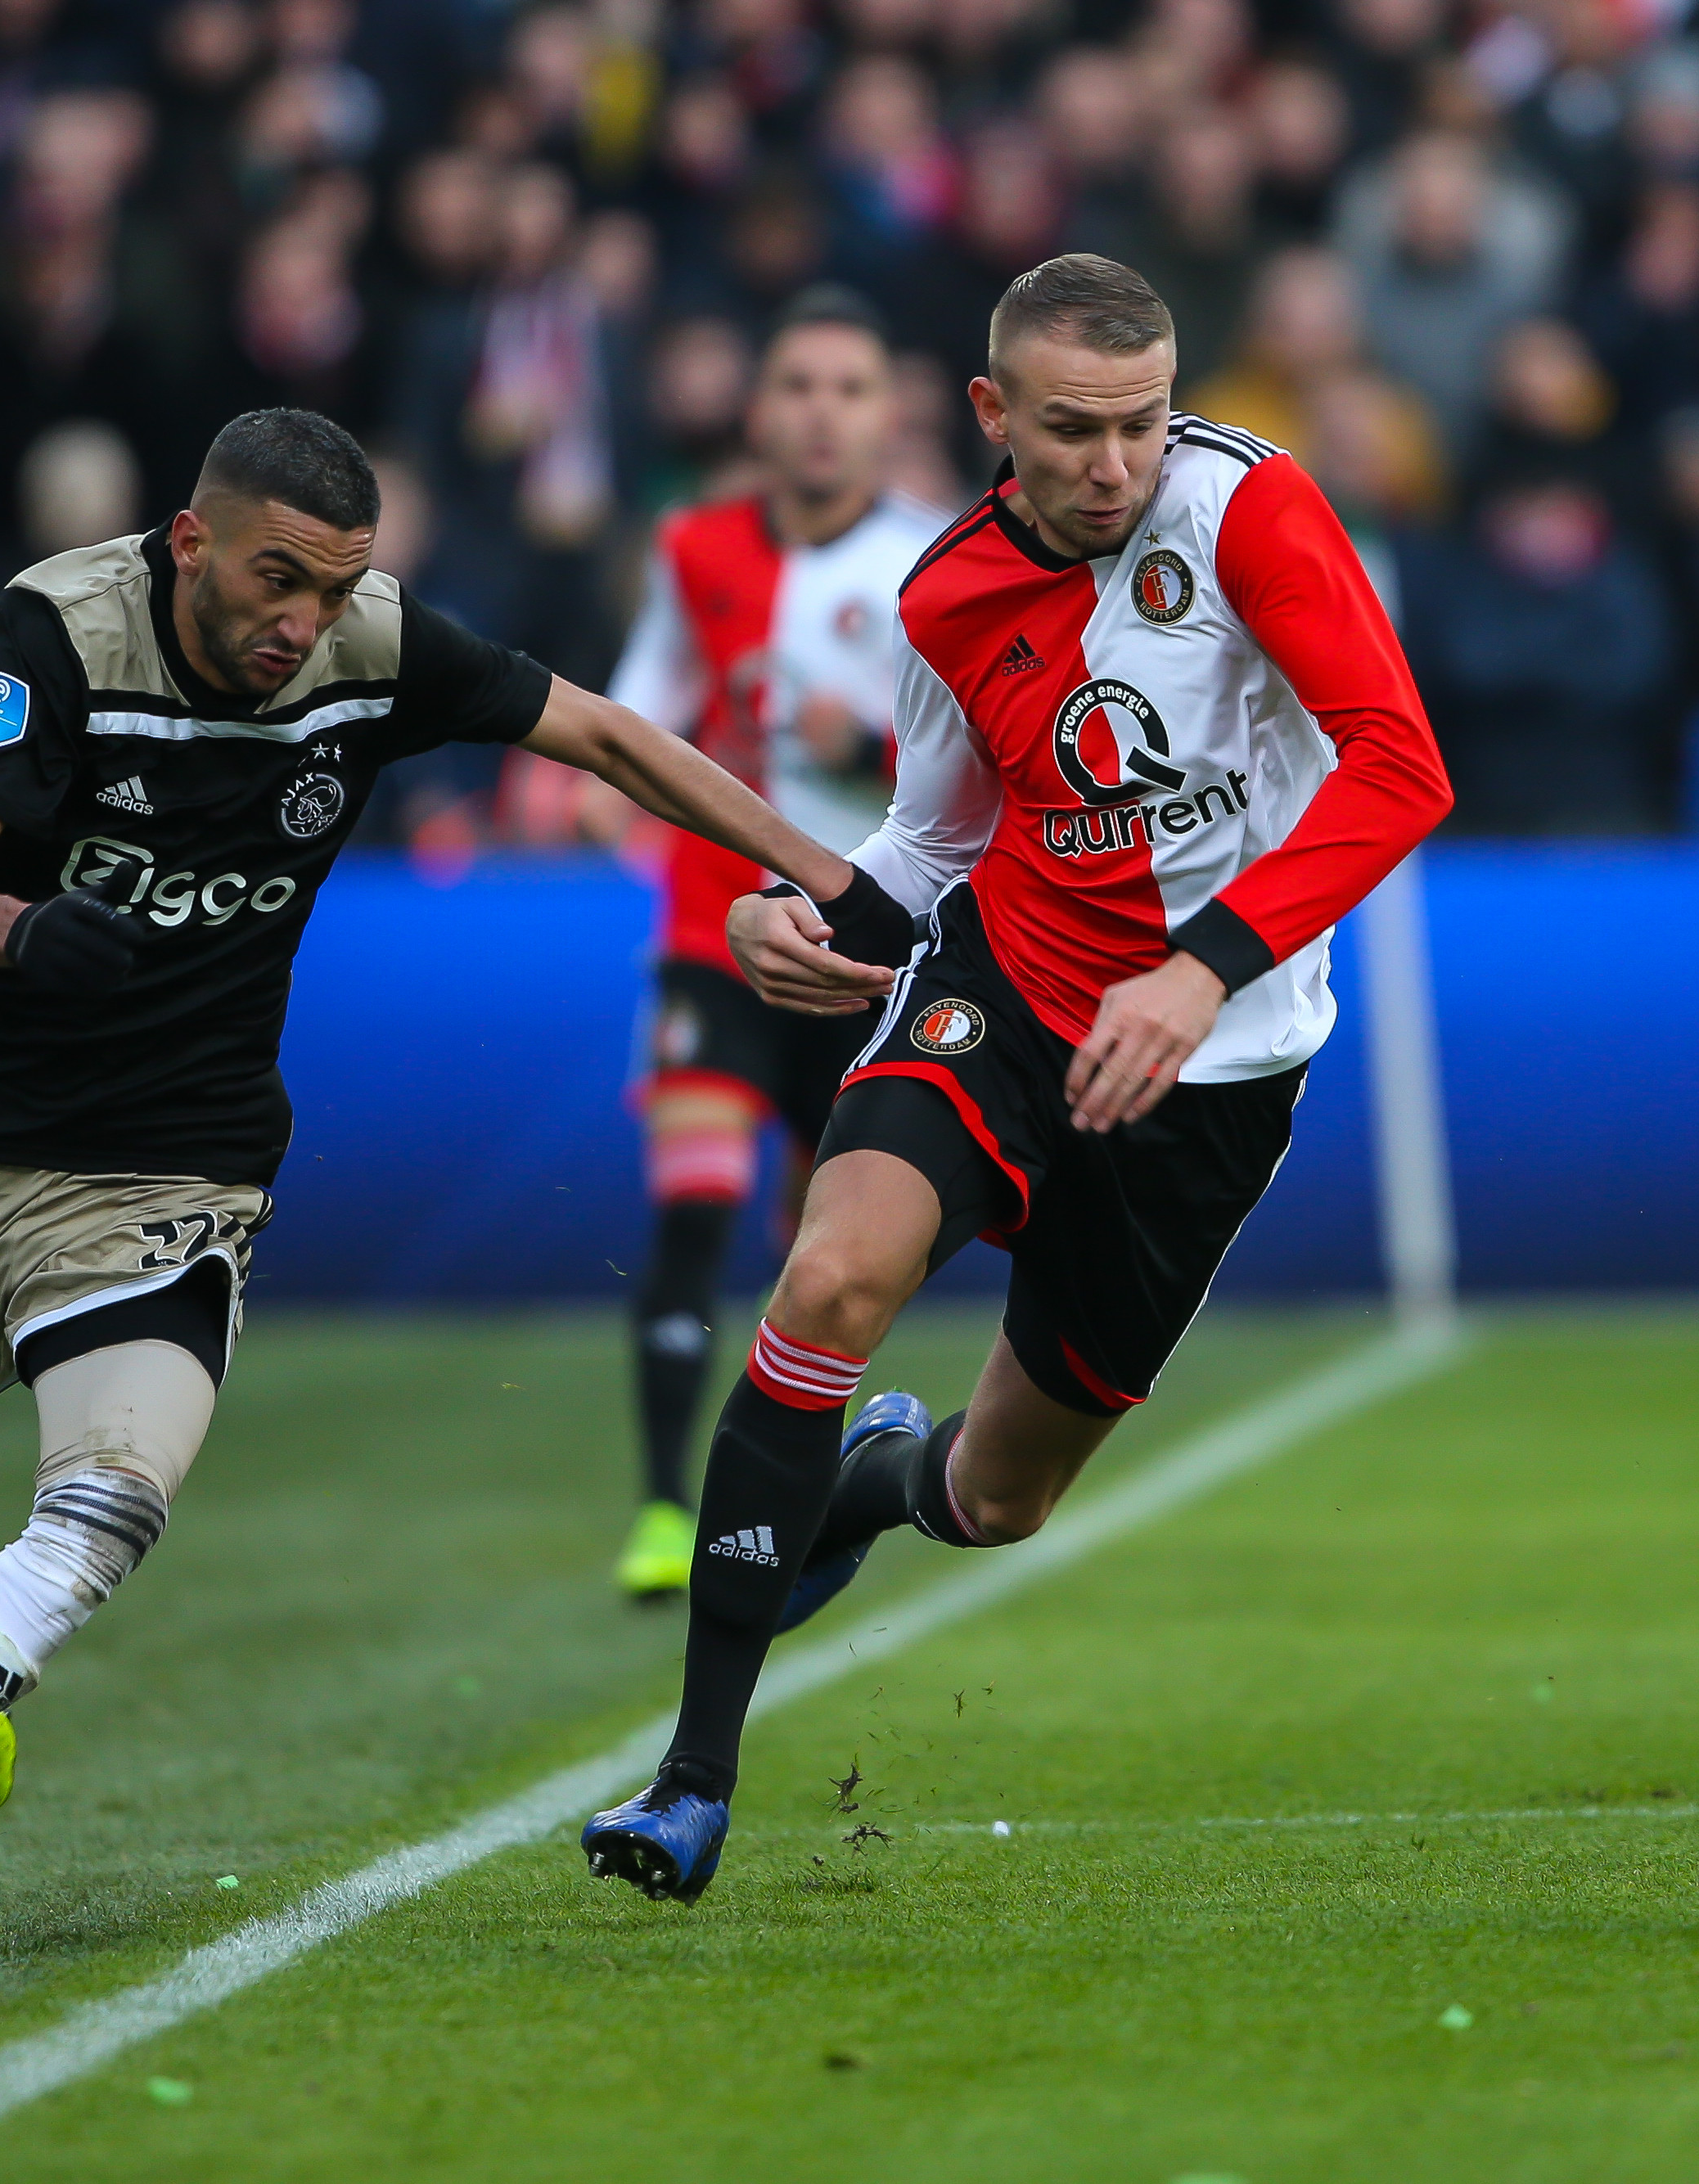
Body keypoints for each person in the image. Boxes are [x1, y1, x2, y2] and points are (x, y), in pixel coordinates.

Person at [0, 407, 905, 1956]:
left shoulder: (366, 643)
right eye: (274, 583)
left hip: (179, 1161)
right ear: (191, 544)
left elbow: (607, 734)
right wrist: (25, 933)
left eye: (335, 587)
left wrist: (839, 877)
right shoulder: (57, 630)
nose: (301, 624)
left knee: (104, 1512)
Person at [579, 256, 1453, 1903]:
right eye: (1075, 430)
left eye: (1142, 422)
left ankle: (876, 1488)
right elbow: (933, 839)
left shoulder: (1250, 514)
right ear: (993, 416)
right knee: (829, 1276)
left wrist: (1203, 972)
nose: (1118, 463)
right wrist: (807, 912)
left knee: (996, 1501)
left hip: (1218, 1062)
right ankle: (693, 1782)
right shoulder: (946, 594)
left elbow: (1401, 766)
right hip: (1011, 1000)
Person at [602, 286, 948, 1601]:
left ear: (886, 414)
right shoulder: (693, 548)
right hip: (712, 924)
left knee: (829, 1248)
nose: (820, 412)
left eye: (848, 388)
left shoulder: (933, 558)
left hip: (864, 944)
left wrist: (869, 748)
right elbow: (644, 709)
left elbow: (978, 758)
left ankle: (803, 1486)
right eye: (797, 385)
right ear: (758, 411)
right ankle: (653, 1504)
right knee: (692, 1197)